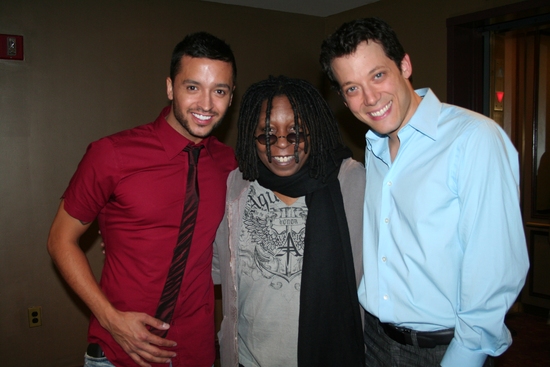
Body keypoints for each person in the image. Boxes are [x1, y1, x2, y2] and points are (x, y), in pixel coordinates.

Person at [319, 17, 529, 367]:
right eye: (352, 88)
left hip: (446, 351)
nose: (370, 99)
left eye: (378, 75)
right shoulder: (375, 149)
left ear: (405, 65)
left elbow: (496, 267)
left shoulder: (474, 139)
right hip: (374, 340)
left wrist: (465, 357)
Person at [47, 32, 238, 367]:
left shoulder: (232, 166)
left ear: (231, 96)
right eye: (192, 87)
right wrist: (110, 319)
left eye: (219, 91)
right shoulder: (112, 154)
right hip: (119, 351)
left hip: (196, 351)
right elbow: (60, 240)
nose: (206, 104)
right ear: (170, 87)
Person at [212, 75, 366, 367]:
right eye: (267, 135)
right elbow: (213, 266)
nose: (281, 145)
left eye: (296, 134)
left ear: (314, 132)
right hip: (249, 359)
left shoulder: (350, 182)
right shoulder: (237, 186)